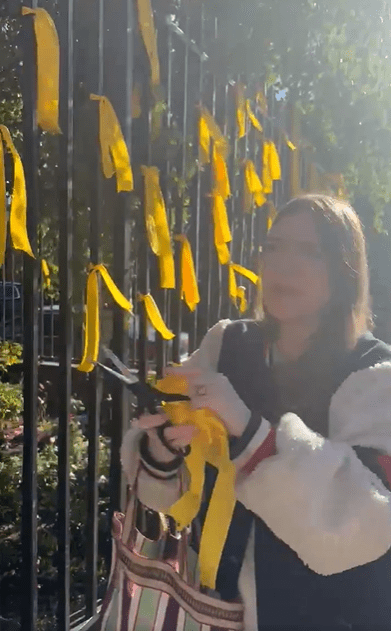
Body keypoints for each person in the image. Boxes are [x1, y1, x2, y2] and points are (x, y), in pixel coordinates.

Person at [121, 194, 391, 630]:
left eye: (309, 251)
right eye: (274, 246)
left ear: (345, 272)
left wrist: (249, 431)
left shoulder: (374, 375)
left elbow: (365, 523)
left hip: (329, 613)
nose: (283, 264)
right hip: (213, 606)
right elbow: (176, 497)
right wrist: (163, 449)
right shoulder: (228, 343)